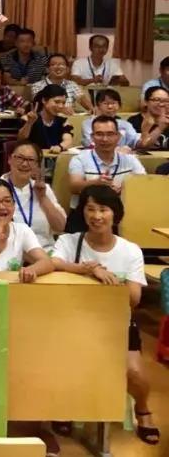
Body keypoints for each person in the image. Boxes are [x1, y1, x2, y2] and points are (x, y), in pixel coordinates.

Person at [50, 186, 159, 446]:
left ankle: (143, 410)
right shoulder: (68, 242)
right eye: (90, 209)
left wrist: (108, 284)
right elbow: (54, 264)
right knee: (60, 362)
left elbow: (134, 299)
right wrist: (89, 270)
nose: (96, 216)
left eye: (103, 209)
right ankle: (65, 404)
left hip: (116, 323)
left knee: (134, 372)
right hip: (73, 320)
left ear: (115, 214)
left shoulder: (130, 250)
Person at [67, 116, 145, 209]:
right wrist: (96, 183)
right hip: (85, 211)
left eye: (110, 134)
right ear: (92, 137)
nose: (105, 139)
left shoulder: (130, 159)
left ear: (118, 136)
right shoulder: (80, 159)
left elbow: (144, 184)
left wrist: (123, 189)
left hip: (120, 211)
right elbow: (74, 187)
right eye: (99, 134)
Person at [0, 141, 65, 250]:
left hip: (45, 249)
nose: (25, 164)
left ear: (36, 165)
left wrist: (43, 198)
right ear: (10, 159)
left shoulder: (43, 189)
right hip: (10, 251)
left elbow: (60, 227)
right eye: (20, 158)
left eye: (30, 160)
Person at [17, 83, 73, 152]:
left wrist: (60, 147)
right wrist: (29, 123)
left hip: (54, 156)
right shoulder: (28, 118)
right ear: (44, 100)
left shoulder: (62, 121)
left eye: (63, 103)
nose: (61, 106)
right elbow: (21, 139)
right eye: (57, 102)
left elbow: (68, 140)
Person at [130, 86, 169, 151]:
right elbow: (137, 147)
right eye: (157, 100)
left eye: (166, 101)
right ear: (146, 101)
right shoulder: (134, 121)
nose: (162, 104)